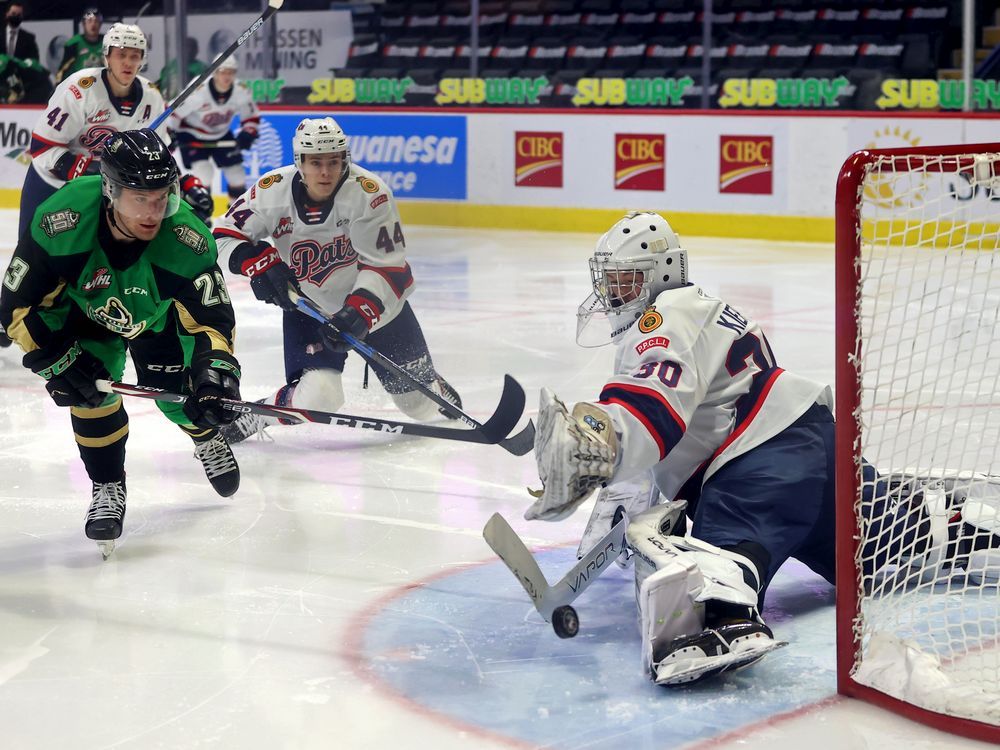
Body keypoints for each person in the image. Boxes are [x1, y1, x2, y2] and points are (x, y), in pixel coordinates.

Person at [527, 210, 836, 685]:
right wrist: (621, 501)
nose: (613, 294)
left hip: (761, 462)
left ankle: (721, 621)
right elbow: (671, 427)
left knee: (715, 566)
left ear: (663, 273)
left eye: (626, 280)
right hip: (806, 448)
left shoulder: (664, 315)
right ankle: (947, 519)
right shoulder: (695, 309)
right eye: (609, 281)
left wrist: (596, 445)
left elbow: (651, 414)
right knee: (882, 539)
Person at [0, 129, 243, 557]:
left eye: (163, 196)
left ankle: (205, 437)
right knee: (91, 396)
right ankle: (107, 483)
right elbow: (16, 305)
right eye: (140, 198)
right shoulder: (63, 219)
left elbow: (213, 319)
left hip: (158, 316)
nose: (154, 212)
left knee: (179, 398)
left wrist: (215, 372)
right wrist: (56, 360)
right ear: (110, 190)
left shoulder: (185, 238)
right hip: (87, 315)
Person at [212, 117, 461, 443]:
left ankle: (433, 385)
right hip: (308, 308)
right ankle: (257, 415)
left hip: (379, 310)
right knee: (319, 398)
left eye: (333, 161)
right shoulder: (271, 191)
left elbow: (390, 268)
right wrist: (257, 264)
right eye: (316, 163)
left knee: (417, 404)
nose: (325, 172)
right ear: (299, 162)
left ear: (346, 158)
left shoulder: (370, 194)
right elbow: (222, 236)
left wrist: (359, 312)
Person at [19, 22, 213, 240]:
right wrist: (91, 171)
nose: (128, 62)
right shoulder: (81, 89)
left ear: (142, 60)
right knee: (32, 250)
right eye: (121, 54)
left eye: (134, 55)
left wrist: (183, 183)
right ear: (107, 56)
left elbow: (156, 158)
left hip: (106, 190)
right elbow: (42, 145)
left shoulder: (151, 96)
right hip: (52, 181)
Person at [169, 55, 259, 207]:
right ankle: (201, 211)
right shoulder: (199, 91)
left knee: (237, 175)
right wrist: (171, 134)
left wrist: (248, 132)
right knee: (203, 174)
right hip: (193, 134)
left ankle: (236, 213)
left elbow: (250, 116)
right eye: (223, 72)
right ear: (214, 73)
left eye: (230, 72)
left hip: (221, 134)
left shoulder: (240, 91)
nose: (226, 76)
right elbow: (174, 112)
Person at [55, 7, 103, 84]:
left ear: (100, 24)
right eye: (90, 21)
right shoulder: (73, 43)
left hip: (101, 83)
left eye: (96, 21)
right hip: (79, 84)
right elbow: (63, 69)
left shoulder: (106, 42)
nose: (93, 24)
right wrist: (58, 85)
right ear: (84, 24)